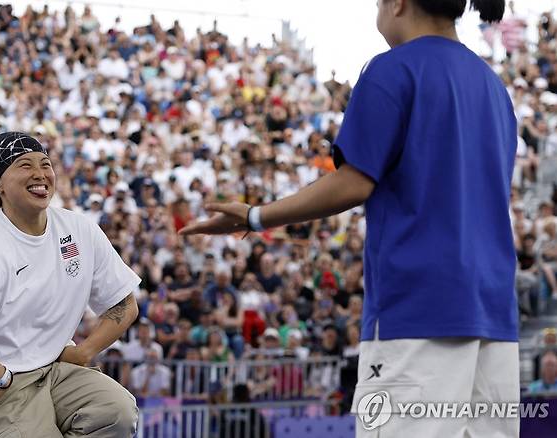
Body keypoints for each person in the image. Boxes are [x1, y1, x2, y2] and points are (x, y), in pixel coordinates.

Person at [180, 1, 517, 436]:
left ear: (398, 3)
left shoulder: (392, 69)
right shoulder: (494, 86)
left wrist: (256, 214)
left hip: (418, 312)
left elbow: (354, 182)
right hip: (494, 316)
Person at [0, 132, 141, 438]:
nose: (40, 174)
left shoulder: (78, 228)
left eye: (45, 164)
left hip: (54, 369)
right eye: (24, 165)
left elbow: (124, 304)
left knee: (117, 413)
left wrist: (84, 353)